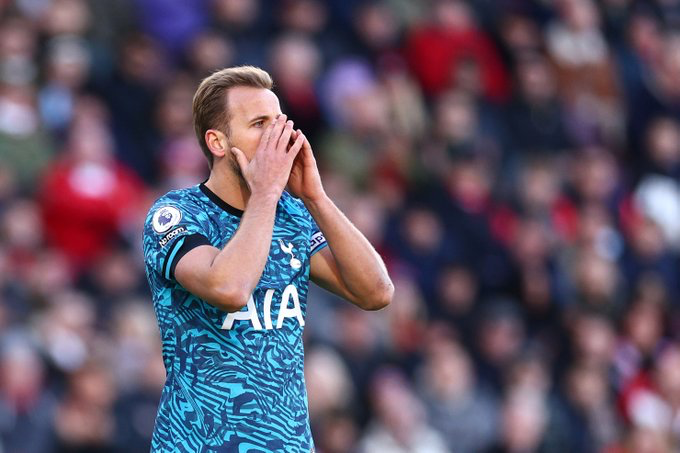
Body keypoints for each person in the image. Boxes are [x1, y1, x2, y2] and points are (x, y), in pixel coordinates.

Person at [142, 65, 393, 452]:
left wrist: (316, 198)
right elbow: (228, 287)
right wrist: (265, 195)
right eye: (260, 124)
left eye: (280, 123)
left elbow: (376, 293)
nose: (278, 138)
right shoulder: (176, 214)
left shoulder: (291, 213)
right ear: (218, 143)